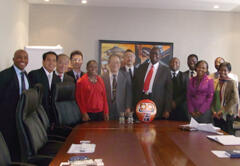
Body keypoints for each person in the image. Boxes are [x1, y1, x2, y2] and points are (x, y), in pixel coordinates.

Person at [0, 49, 29, 161]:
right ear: (13, 59)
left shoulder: (25, 74)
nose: (23, 60)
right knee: (9, 149)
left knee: (19, 147)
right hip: (8, 119)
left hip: (21, 118)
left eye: (25, 57)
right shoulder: (4, 75)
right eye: (19, 57)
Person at [133, 46, 172, 120]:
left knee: (155, 128)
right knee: (140, 126)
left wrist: (167, 109)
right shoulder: (141, 68)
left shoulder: (166, 71)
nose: (154, 55)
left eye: (157, 54)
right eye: (152, 53)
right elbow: (135, 87)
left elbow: (169, 92)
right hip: (141, 99)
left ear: (160, 56)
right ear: (149, 55)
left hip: (157, 103)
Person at [28, 51, 59, 124]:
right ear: (43, 61)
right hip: (37, 114)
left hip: (52, 116)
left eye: (54, 60)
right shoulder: (34, 74)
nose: (51, 63)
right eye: (48, 60)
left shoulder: (57, 78)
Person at [102, 54, 132, 120]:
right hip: (107, 109)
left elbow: (129, 93)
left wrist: (128, 107)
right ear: (109, 64)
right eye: (112, 62)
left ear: (120, 64)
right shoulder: (102, 77)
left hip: (122, 109)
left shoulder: (126, 76)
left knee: (121, 129)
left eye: (117, 62)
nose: (115, 64)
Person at [211, 62, 239, 134]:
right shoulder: (215, 81)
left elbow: (235, 99)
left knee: (227, 135)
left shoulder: (232, 82)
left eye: (225, 70)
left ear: (229, 71)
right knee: (217, 134)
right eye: (221, 70)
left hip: (227, 114)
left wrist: (223, 111)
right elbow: (211, 98)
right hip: (216, 114)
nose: (222, 72)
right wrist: (213, 111)